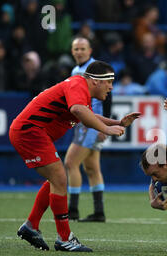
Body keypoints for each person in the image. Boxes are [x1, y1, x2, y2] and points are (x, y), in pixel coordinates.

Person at [10, 60, 141, 252]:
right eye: (109, 81)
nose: (112, 87)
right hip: (31, 131)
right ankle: (64, 238)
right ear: (96, 81)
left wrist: (117, 122)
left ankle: (31, 226)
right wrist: (106, 129)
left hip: (31, 131)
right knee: (60, 179)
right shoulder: (78, 84)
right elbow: (78, 110)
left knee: (56, 180)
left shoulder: (79, 88)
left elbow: (85, 115)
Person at [64, 37, 108, 222]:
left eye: (83, 48)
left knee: (70, 163)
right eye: (76, 48)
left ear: (90, 51)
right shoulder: (76, 70)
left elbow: (108, 96)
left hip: (90, 123)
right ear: (72, 51)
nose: (79, 51)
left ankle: (72, 210)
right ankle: (99, 212)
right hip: (85, 122)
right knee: (91, 167)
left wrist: (103, 127)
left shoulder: (95, 70)